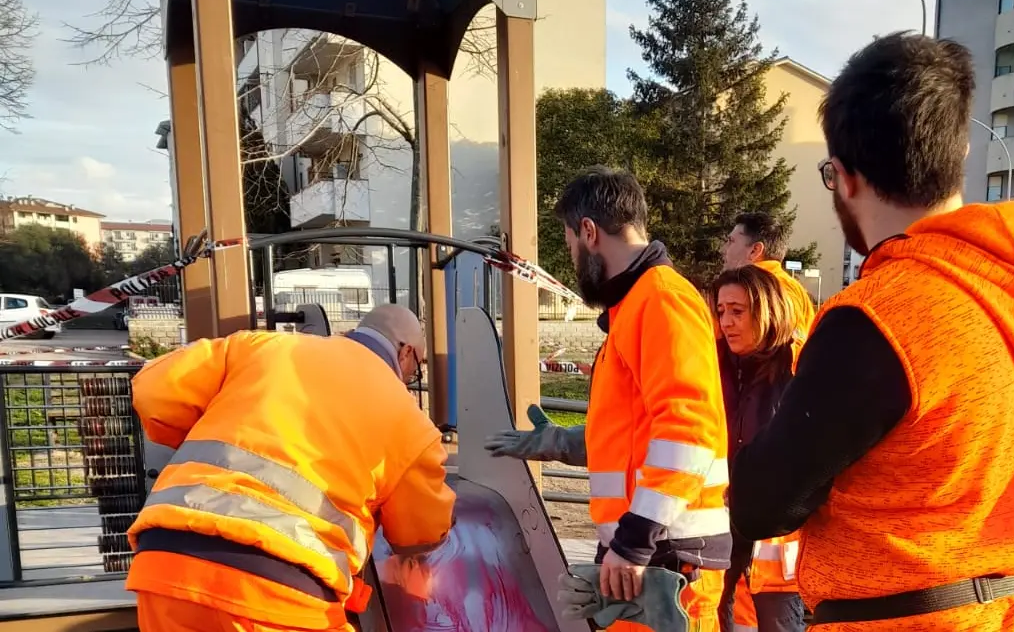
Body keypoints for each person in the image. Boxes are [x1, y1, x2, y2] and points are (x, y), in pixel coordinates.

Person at [727, 32, 1014, 632]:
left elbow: (764, 503)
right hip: (1007, 612)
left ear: (844, 178)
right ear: (959, 154)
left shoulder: (875, 317)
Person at [486, 166, 731, 631]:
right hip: (654, 553)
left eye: (570, 245)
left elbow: (689, 433)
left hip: (664, 557)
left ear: (589, 231)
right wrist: (564, 442)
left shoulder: (659, 300)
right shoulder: (640, 305)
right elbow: (639, 435)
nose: (573, 259)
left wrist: (633, 542)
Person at [127, 304, 456, 632]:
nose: (411, 377)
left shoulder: (264, 346)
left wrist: (209, 432)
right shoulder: (410, 423)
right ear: (406, 352)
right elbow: (420, 533)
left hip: (166, 561)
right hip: (279, 588)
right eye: (417, 368)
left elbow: (153, 390)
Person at [711, 266, 806, 632]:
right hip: (718, 515)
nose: (726, 322)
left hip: (775, 530)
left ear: (766, 310)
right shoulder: (710, 361)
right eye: (721, 311)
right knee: (711, 613)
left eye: (737, 311)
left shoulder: (799, 364)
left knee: (779, 619)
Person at [721, 212, 817, 339]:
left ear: (754, 250)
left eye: (731, 241)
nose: (723, 250)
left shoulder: (777, 290)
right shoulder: (785, 285)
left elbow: (791, 344)